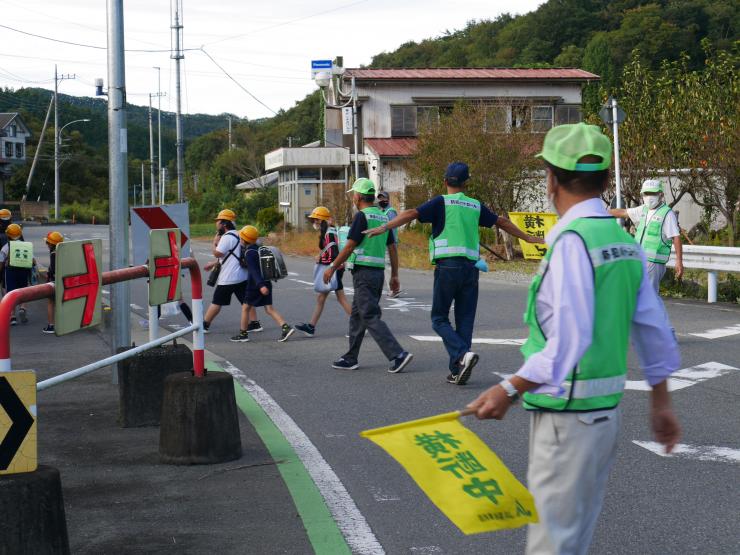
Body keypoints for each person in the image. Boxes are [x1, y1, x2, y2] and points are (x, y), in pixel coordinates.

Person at [466, 123, 681, 555]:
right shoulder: (622, 242)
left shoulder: (571, 241)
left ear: (551, 179)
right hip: (603, 417)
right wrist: (661, 403)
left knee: (553, 545)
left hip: (566, 417)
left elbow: (568, 340)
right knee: (572, 540)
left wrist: (508, 389)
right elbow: (654, 330)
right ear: (605, 181)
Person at [366, 161, 543, 385]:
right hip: (471, 269)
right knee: (465, 319)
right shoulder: (475, 205)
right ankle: (457, 368)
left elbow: (412, 213)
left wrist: (385, 227)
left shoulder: (441, 202)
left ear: (444, 181)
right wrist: (528, 238)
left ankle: (461, 355)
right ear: (466, 183)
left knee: (439, 318)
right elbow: (502, 221)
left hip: (447, 267)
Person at [323, 178, 413, 373]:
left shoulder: (362, 216)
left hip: (364, 273)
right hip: (378, 273)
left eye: (353, 194)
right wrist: (395, 275)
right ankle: (351, 357)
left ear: (358, 196)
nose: (352, 198)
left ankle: (398, 354)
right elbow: (392, 248)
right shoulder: (383, 217)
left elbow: (349, 246)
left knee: (369, 315)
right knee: (357, 315)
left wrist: (332, 267)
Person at [609, 179, 684, 293]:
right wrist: (600, 212)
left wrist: (679, 261)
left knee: (649, 295)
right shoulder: (643, 210)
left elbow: (676, 237)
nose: (649, 197)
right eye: (646, 194)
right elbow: (623, 212)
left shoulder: (667, 214)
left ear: (661, 195)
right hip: (638, 259)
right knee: (637, 295)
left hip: (654, 263)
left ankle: (653, 311)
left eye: (653, 193)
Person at [230, 225, 295, 343]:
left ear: (245, 240)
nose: (240, 240)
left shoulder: (249, 252)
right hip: (266, 281)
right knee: (269, 309)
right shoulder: (258, 248)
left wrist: (260, 286)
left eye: (241, 238)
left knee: (245, 308)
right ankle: (286, 327)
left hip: (255, 285)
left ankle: (243, 334)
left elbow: (254, 271)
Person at [294, 206, 352, 337]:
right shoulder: (328, 231)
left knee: (338, 298)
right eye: (313, 220)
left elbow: (333, 253)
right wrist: (321, 255)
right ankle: (311, 327)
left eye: (316, 220)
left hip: (333, 269)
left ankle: (359, 325)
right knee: (324, 298)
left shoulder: (329, 233)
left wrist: (324, 262)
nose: (314, 223)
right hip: (335, 268)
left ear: (323, 220)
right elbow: (330, 251)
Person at [202, 209, 249, 333]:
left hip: (228, 278)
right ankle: (253, 324)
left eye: (218, 222)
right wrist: (213, 264)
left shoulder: (226, 238)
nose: (216, 224)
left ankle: (204, 325)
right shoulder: (240, 234)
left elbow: (218, 253)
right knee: (246, 302)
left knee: (216, 302)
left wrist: (214, 243)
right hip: (242, 276)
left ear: (224, 223)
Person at [0, 223, 36, 325]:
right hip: (23, 272)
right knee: (23, 290)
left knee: (10, 292)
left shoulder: (6, 247)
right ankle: (23, 308)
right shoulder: (27, 246)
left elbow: (1, 262)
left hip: (10, 273)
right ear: (20, 234)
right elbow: (33, 261)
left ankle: (12, 316)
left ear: (8, 235)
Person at [377, 191, 401, 298]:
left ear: (388, 199)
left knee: (388, 266)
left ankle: (394, 289)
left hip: (390, 243)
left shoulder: (390, 212)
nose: (381, 200)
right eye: (380, 198)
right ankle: (393, 288)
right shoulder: (382, 211)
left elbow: (391, 228)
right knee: (386, 266)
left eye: (383, 198)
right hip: (385, 242)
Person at [42, 231, 64, 334]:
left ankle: (51, 326)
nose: (46, 244)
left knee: (51, 302)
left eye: (47, 242)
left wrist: (49, 273)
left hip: (55, 282)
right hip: (65, 281)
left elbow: (54, 269)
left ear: (51, 244)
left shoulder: (53, 254)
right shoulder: (64, 251)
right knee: (62, 303)